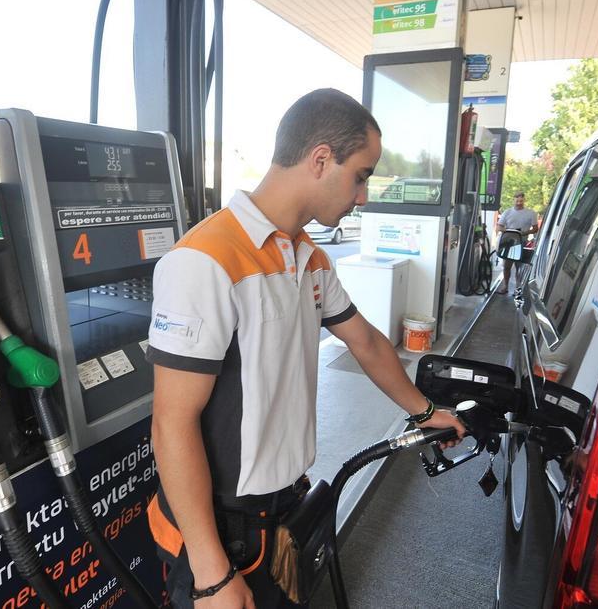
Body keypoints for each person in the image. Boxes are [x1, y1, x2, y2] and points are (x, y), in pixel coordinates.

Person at [145, 88, 466, 608]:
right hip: (222, 532)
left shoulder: (309, 257)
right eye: (361, 175)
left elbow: (364, 341)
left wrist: (426, 412)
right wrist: (211, 575)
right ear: (321, 159)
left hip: (283, 512)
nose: (363, 195)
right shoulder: (205, 260)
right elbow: (171, 422)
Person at [494, 191, 538, 293]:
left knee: (519, 268)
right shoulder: (507, 212)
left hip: (521, 242)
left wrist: (524, 232)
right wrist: (506, 230)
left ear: (524, 200)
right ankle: (505, 286)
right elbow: (499, 226)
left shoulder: (531, 213)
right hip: (508, 243)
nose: (519, 203)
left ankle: (518, 289)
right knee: (507, 266)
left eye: (521, 201)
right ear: (514, 200)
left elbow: (535, 229)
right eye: (517, 201)